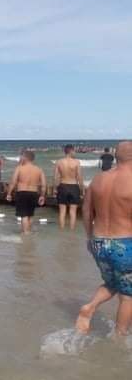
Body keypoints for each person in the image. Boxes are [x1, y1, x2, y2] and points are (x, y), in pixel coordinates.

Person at [75, 141, 132, 337]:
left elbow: (86, 210)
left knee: (112, 283)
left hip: (99, 241)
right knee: (128, 295)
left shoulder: (99, 179)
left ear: (116, 157)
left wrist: (89, 237)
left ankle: (90, 307)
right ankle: (119, 338)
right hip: (125, 243)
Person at [6, 151, 46, 234]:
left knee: (24, 215)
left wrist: (9, 193)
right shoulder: (39, 169)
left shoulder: (19, 168)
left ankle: (26, 234)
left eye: (22, 157)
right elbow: (43, 185)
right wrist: (42, 196)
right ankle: (27, 232)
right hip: (33, 193)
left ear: (25, 158)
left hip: (22, 192)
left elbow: (13, 182)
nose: (21, 158)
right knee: (30, 215)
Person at [54, 144, 84, 230]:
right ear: (70, 151)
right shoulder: (77, 162)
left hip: (63, 186)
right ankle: (72, 231)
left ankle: (62, 230)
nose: (75, 152)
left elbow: (56, 177)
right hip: (74, 186)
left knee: (62, 211)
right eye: (74, 151)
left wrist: (56, 188)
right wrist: (81, 189)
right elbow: (79, 177)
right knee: (73, 211)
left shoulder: (59, 162)